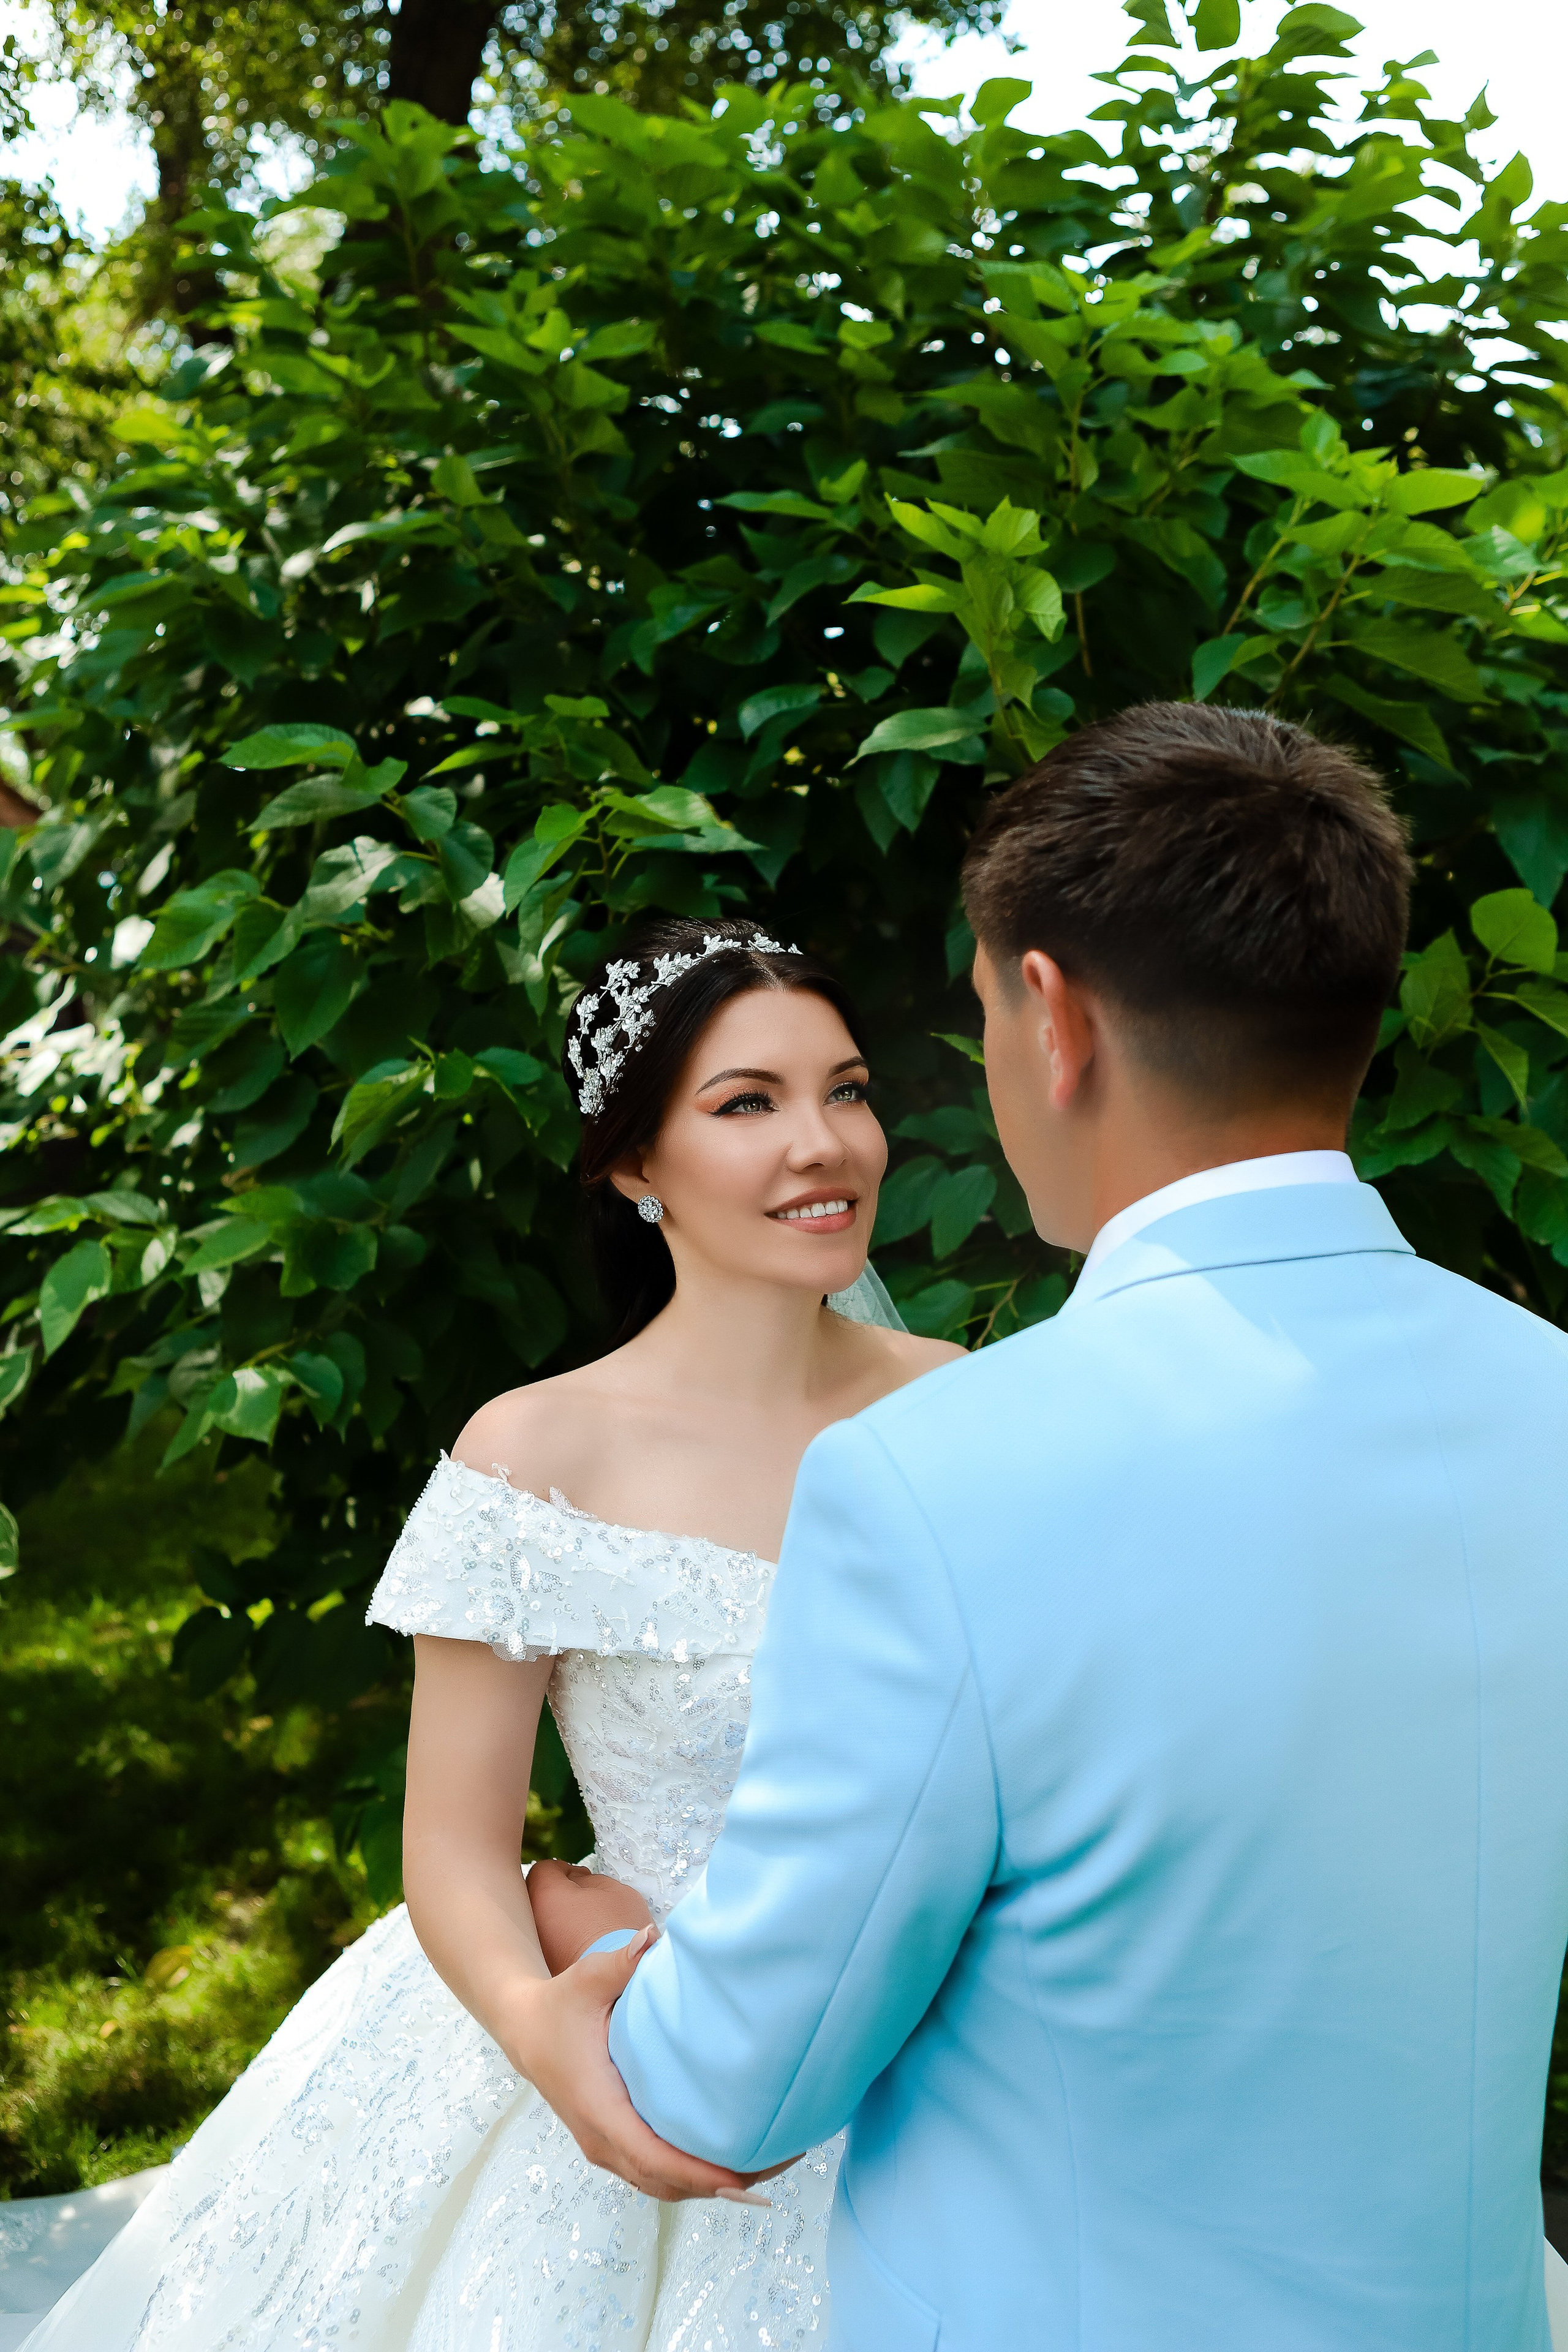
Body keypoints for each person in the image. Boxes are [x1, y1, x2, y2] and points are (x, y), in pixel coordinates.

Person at [535, 704, 1568, 2351]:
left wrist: (599, 1962)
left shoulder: (938, 1478)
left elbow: (729, 2088)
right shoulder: (1551, 1401)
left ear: (1052, 1013)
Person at [19, 918, 959, 2352]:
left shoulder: (959, 1410)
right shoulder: (536, 1456)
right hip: (641, 2034)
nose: (821, 1144)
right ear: (633, 1166)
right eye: (744, 1104)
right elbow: (451, 1847)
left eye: (843, 1088)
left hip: (936, 2039)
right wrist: (545, 2033)